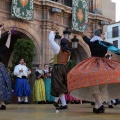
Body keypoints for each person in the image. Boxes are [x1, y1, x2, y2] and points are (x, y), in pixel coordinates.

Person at [67, 29, 120, 113]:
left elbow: (84, 36)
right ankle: (99, 105)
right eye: (103, 34)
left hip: (92, 65)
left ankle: (98, 105)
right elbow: (117, 50)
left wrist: (84, 28)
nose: (104, 36)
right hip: (103, 66)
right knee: (102, 85)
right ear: (101, 35)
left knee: (93, 85)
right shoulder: (105, 44)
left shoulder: (91, 42)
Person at [48, 28, 71, 110]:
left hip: (58, 68)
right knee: (62, 85)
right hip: (65, 68)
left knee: (58, 86)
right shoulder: (68, 52)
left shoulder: (58, 49)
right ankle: (56, 100)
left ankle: (64, 104)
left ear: (61, 43)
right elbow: (67, 61)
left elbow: (50, 40)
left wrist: (52, 31)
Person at [0, 24, 12, 110]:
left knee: (3, 84)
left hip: (1, 68)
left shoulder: (1, 51)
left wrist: (9, 35)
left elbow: (7, 46)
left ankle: (2, 102)